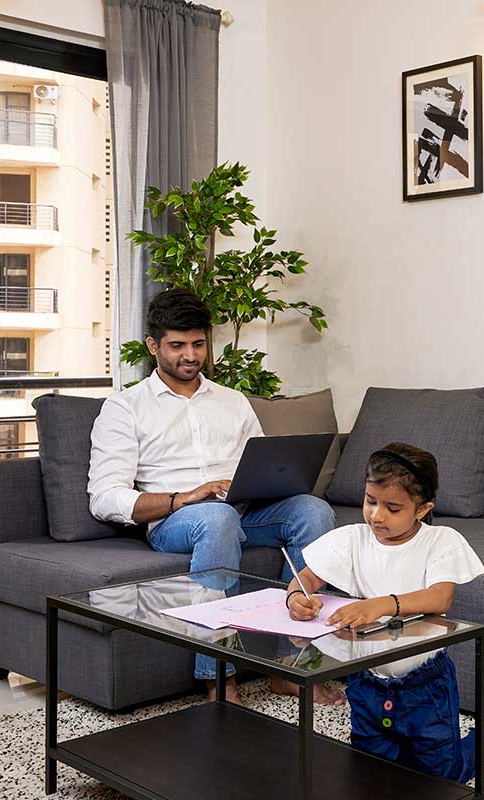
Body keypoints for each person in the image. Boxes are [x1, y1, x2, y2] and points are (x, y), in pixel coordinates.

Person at [87, 288, 338, 702]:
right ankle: (218, 677)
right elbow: (104, 496)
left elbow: (260, 462)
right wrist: (183, 497)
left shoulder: (233, 402)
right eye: (177, 345)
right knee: (215, 518)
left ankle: (290, 666)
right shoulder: (125, 408)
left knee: (312, 510)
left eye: (198, 344)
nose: (190, 355)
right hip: (175, 520)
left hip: (240, 510)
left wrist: (271, 483)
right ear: (153, 346)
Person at [284, 443, 484, 783]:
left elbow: (439, 598)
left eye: (392, 507)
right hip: (367, 683)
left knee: (443, 774)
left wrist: (381, 604)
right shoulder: (353, 539)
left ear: (423, 508)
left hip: (425, 687)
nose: (376, 515)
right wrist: (296, 596)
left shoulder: (441, 541)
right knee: (372, 773)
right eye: (370, 501)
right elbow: (307, 577)